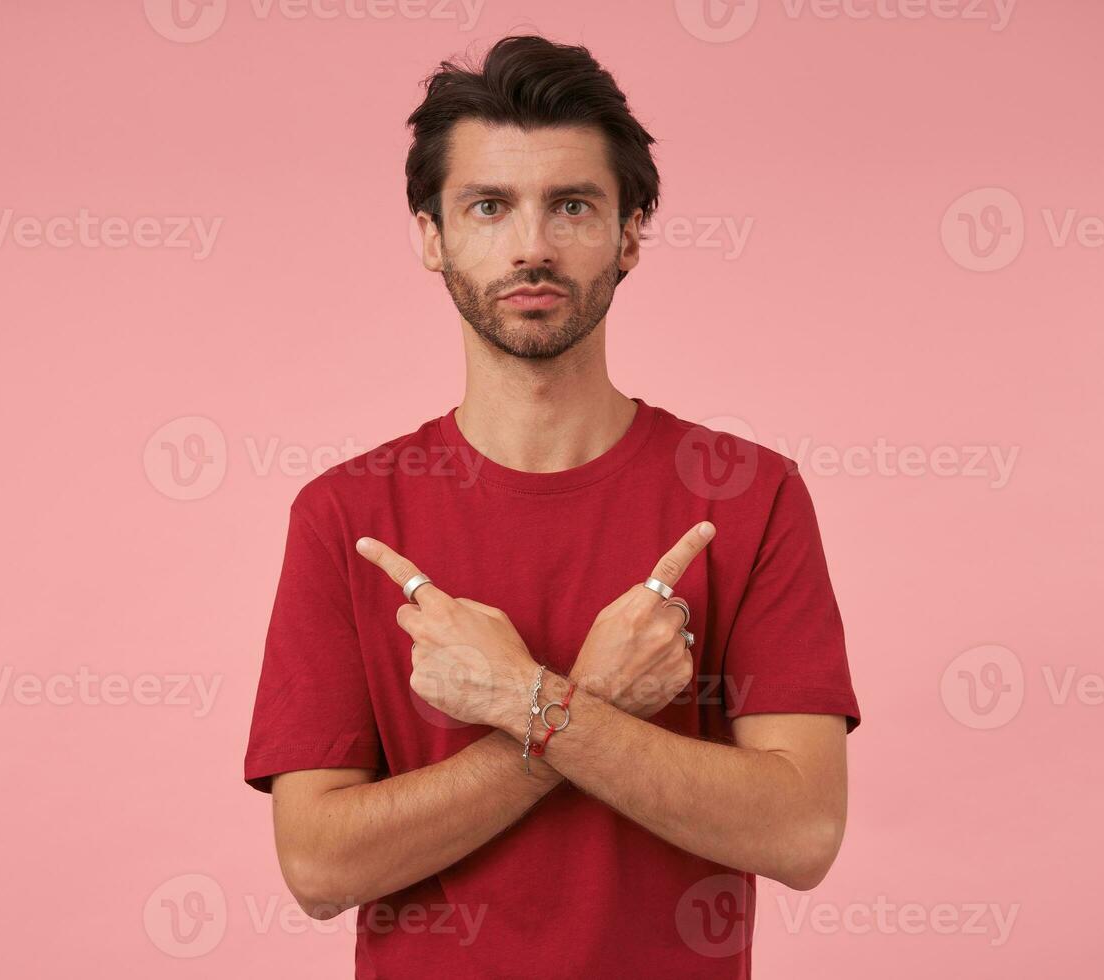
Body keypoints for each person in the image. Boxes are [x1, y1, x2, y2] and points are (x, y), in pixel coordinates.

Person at [244, 33, 862, 979]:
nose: (531, 246)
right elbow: (320, 864)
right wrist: (585, 703)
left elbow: (802, 831)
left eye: (571, 205)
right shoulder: (344, 516)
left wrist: (525, 701)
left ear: (629, 235)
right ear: (431, 235)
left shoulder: (750, 494)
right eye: (489, 207)